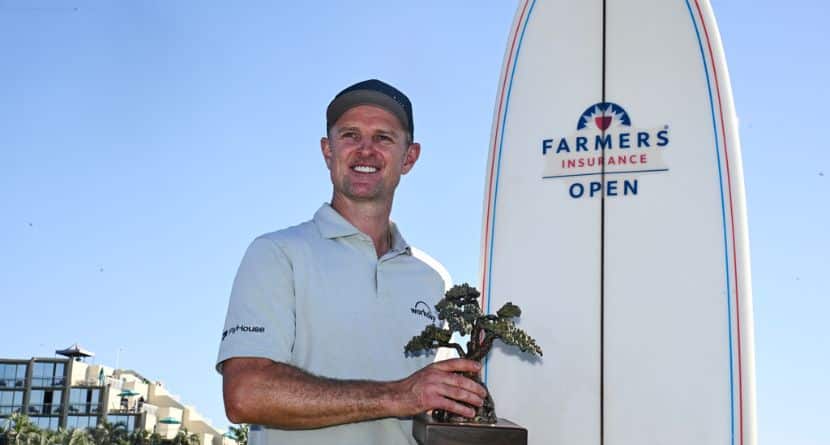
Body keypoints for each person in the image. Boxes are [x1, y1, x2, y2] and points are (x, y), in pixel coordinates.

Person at [216, 79, 486, 444]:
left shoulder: (434, 279)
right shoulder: (277, 254)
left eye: (384, 138)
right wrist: (398, 395)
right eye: (350, 135)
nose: (365, 150)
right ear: (328, 151)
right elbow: (245, 394)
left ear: (410, 157)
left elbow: (429, 409)